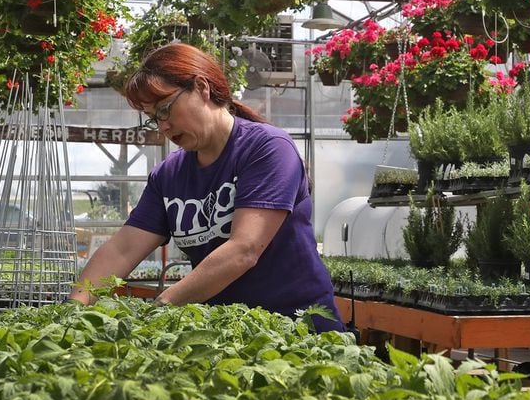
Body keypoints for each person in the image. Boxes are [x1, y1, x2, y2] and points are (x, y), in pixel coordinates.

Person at [70, 43, 344, 333]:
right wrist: (74, 312)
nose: (162, 126)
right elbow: (122, 251)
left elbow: (243, 249)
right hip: (229, 335)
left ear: (201, 87)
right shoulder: (169, 175)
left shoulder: (267, 149)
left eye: (165, 110)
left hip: (300, 332)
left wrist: (159, 310)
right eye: (154, 118)